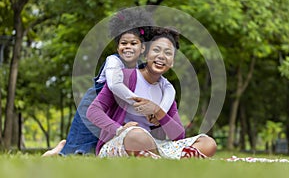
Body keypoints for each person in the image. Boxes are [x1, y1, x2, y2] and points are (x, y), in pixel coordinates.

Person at [42, 8, 176, 156]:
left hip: (113, 109)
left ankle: (62, 147)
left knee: (99, 144)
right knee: (82, 143)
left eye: (133, 43)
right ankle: (58, 152)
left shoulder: (140, 67)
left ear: (142, 48)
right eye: (124, 43)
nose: (128, 47)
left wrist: (157, 111)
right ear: (117, 47)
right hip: (95, 102)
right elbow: (114, 85)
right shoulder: (113, 61)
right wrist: (137, 103)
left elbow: (160, 84)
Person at [86, 27, 217, 159]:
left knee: (207, 143)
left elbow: (178, 136)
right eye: (156, 50)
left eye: (168, 53)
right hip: (120, 142)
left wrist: (157, 111)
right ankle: (171, 163)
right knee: (137, 135)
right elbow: (93, 111)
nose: (161, 56)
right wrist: (119, 129)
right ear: (145, 55)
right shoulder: (124, 77)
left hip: (154, 145)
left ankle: (160, 161)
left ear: (172, 62)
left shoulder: (166, 91)